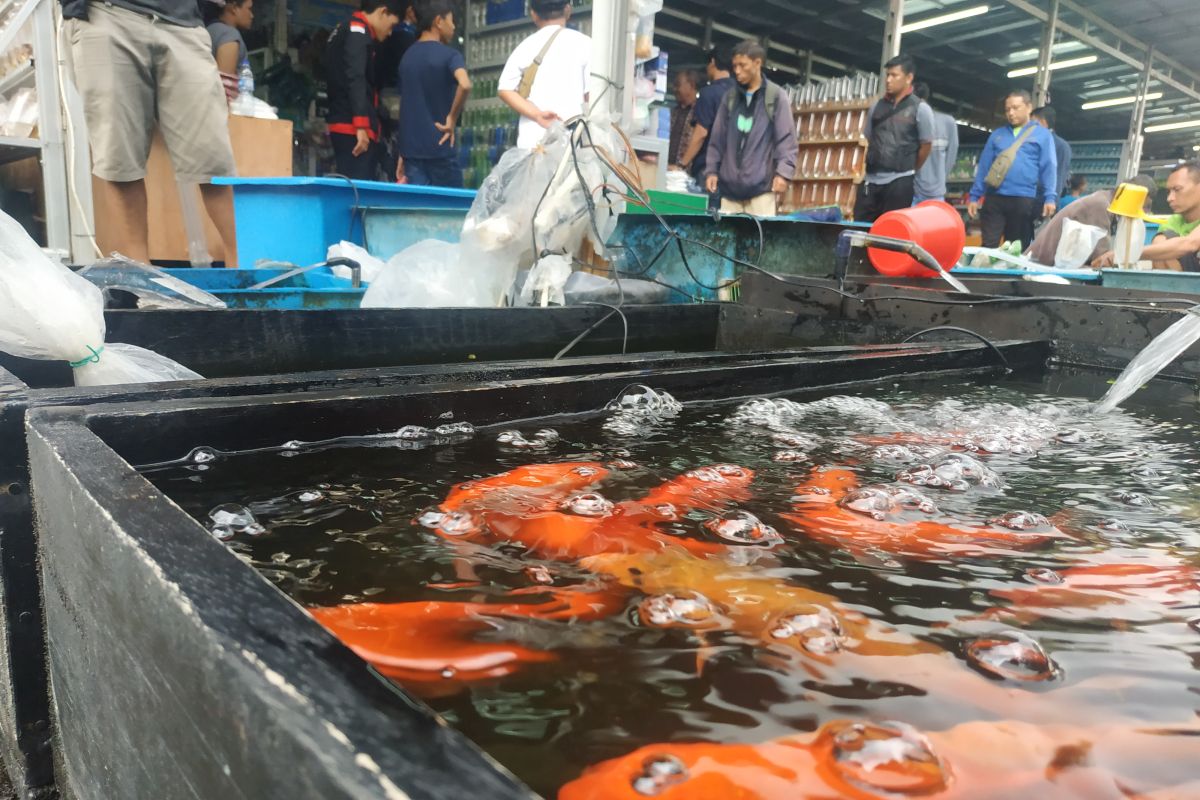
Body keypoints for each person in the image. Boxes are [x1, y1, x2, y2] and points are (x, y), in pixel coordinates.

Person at [63, 0, 240, 265]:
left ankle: (244, 270)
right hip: (105, 13)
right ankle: (144, 278)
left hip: (183, 22)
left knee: (214, 158)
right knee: (119, 156)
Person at [703, 40, 797, 217]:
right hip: (729, 193)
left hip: (761, 192)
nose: (737, 71)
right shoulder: (730, 98)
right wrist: (711, 171)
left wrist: (783, 173)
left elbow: (786, 140)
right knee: (725, 244)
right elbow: (717, 139)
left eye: (742, 65)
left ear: (757, 63)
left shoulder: (775, 97)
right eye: (734, 66)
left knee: (758, 243)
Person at [967, 90, 1057, 249]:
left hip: (1023, 199)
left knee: (1016, 248)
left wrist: (1050, 198)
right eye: (1007, 109)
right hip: (994, 198)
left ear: (1029, 107)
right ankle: (987, 274)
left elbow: (1049, 167)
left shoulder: (1042, 135)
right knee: (988, 246)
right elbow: (984, 167)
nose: (1011, 113)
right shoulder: (997, 135)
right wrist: (974, 197)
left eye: (1016, 108)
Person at [394, 0, 471, 187]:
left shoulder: (407, 57)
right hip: (441, 148)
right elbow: (465, 84)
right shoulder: (450, 55)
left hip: (412, 153)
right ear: (438, 21)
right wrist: (451, 119)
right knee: (450, 209)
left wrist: (402, 153)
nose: (453, 27)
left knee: (418, 209)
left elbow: (406, 107)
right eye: (451, 21)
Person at [325, 0, 403, 180]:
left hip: (343, 121)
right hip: (353, 129)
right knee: (357, 190)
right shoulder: (358, 32)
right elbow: (356, 77)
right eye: (391, 25)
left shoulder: (342, 29)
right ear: (383, 12)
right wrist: (361, 125)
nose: (390, 32)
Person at [497, 0, 590, 149]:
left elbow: (505, 89)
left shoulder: (525, 46)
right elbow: (590, 96)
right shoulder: (585, 44)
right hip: (572, 144)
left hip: (532, 143)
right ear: (568, 10)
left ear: (533, 14)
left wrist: (537, 115)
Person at [855, 54, 934, 222]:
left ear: (909, 78)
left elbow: (926, 146)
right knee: (859, 231)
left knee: (891, 233)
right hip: (871, 181)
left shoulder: (920, 109)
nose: (888, 80)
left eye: (894, 75)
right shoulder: (876, 107)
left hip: (899, 182)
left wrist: (909, 168)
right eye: (887, 75)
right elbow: (869, 138)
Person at [1026, 174, 1155, 267]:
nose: (1142, 211)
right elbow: (1102, 260)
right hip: (1038, 267)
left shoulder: (1108, 202)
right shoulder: (1101, 205)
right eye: (1142, 205)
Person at [1094, 162, 1200, 271]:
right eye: (1169, 192)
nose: (1170, 198)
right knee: (1161, 241)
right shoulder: (1174, 221)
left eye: (1177, 189)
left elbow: (1189, 244)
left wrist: (1127, 255)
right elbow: (1161, 248)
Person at [675, 44, 735, 181]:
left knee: (706, 202)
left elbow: (701, 133)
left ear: (713, 62)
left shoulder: (709, 93)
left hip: (709, 169)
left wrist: (682, 164)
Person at [912, 81, 958, 204]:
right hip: (913, 193)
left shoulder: (948, 122)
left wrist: (940, 179)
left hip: (937, 195)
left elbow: (951, 157)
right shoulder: (908, 124)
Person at [204, 0, 253, 102]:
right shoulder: (229, 35)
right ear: (234, 8)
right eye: (249, 9)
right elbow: (225, 91)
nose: (252, 15)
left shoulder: (208, 30)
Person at [1032, 106, 1071, 203]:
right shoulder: (1033, 142)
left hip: (1042, 202)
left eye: (1032, 123)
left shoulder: (1060, 145)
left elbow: (1059, 177)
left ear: (1043, 123)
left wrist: (1051, 201)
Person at [668, 69, 701, 169]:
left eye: (678, 85)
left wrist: (682, 165)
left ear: (691, 85)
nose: (674, 89)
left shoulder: (700, 111)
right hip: (667, 167)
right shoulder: (675, 111)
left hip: (686, 172)